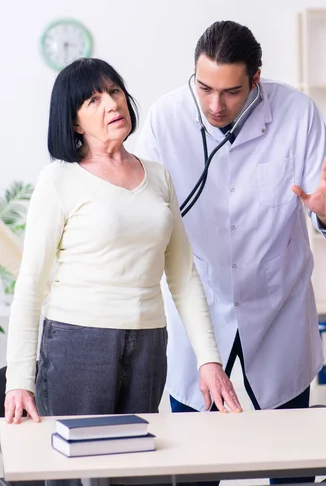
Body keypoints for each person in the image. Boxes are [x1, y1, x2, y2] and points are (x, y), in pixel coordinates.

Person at [135, 20, 326, 485]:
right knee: (194, 465)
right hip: (198, 308)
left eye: (232, 92)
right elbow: (142, 210)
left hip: (278, 306)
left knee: (291, 461)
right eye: (205, 88)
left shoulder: (296, 113)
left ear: (256, 79)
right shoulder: (165, 118)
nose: (215, 105)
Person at [4, 58, 242, 435]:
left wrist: (208, 360)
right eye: (93, 101)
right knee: (74, 470)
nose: (112, 104)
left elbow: (183, 277)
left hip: (149, 342)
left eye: (114, 91)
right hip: (78, 344)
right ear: (74, 122)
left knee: (137, 466)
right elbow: (31, 284)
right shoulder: (59, 180)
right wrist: (20, 379)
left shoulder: (158, 176)